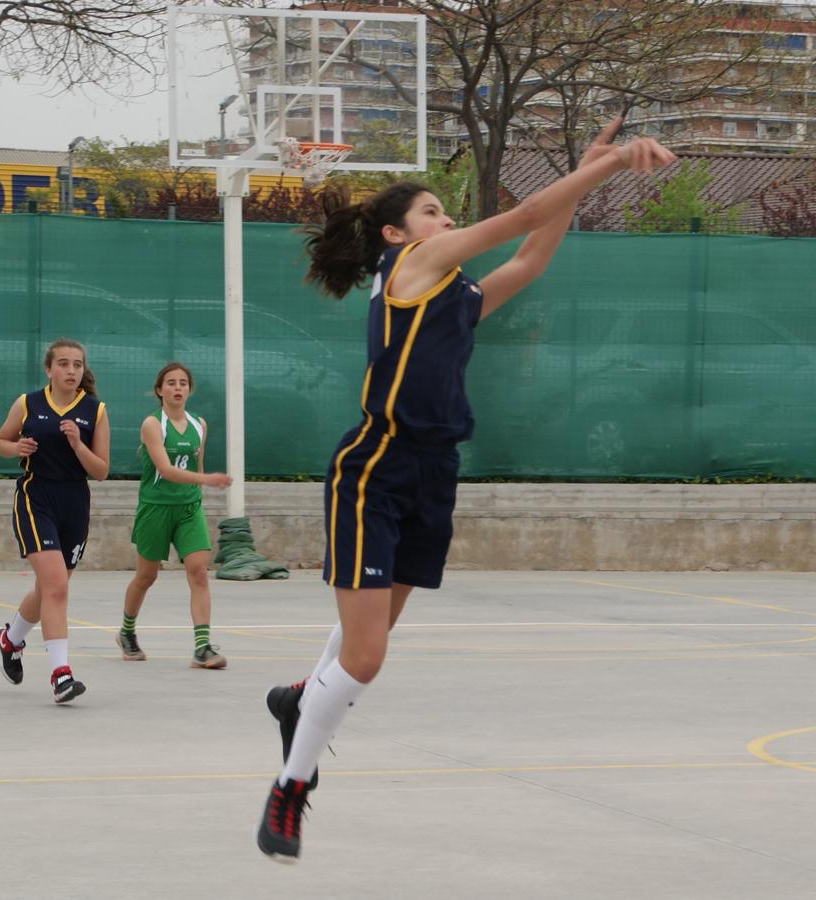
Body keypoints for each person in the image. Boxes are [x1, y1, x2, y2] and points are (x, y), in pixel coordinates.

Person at [256, 120, 677, 860]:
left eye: (447, 216)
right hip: (375, 466)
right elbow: (518, 217)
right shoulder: (411, 267)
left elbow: (531, 254)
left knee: (371, 630)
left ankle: (299, 697)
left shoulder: (455, 296)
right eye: (432, 213)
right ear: (397, 233)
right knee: (366, 658)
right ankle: (291, 787)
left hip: (433, 470)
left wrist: (585, 174)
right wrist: (608, 165)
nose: (445, 222)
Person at [0, 338, 110, 704]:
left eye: (77, 364)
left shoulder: (95, 410)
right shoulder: (28, 403)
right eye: (63, 364)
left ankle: (10, 640)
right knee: (56, 585)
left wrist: (77, 444)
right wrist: (16, 448)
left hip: (75, 502)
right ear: (49, 369)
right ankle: (61, 675)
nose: (71, 370)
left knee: (48, 589)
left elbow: (101, 470)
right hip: (35, 497)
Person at [116, 362, 234, 669]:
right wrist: (207, 480)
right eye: (171, 383)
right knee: (147, 576)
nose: (177, 387)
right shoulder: (152, 425)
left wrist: (202, 484)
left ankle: (202, 648)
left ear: (189, 390)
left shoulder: (199, 425)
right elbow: (166, 470)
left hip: (188, 508)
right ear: (160, 390)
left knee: (198, 571)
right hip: (156, 507)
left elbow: (197, 466)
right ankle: (126, 631)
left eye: (183, 383)